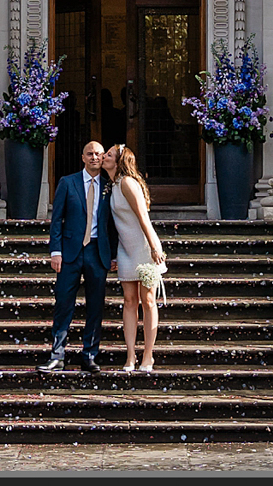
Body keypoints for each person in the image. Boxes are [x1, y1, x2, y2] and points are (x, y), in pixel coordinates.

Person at [42, 139, 117, 373]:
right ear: (83, 157)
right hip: (70, 253)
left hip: (98, 252)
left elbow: (113, 225)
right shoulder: (67, 182)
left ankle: (89, 354)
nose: (94, 157)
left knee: (95, 306)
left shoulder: (110, 186)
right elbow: (57, 220)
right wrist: (56, 251)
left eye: (98, 154)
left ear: (104, 158)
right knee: (64, 303)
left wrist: (113, 255)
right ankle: (57, 355)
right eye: (90, 154)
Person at [103, 143, 166, 373]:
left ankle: (148, 355)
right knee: (129, 300)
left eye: (108, 155)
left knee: (148, 300)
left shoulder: (128, 183)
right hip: (125, 248)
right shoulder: (113, 185)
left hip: (143, 247)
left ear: (118, 161)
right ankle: (130, 355)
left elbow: (143, 217)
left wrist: (153, 247)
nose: (103, 157)